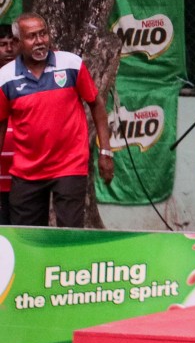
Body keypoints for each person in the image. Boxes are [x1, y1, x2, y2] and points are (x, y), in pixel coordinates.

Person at [0, 12, 112, 228]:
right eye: (32, 36)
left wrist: (105, 151)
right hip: (26, 170)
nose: (40, 41)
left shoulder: (71, 64)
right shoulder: (5, 77)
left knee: (69, 233)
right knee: (27, 237)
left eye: (43, 34)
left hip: (69, 164)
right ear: (18, 42)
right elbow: (1, 123)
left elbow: (96, 104)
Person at [0, 25, 17, 224]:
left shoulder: (28, 79)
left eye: (13, 43)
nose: (9, 49)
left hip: (23, 184)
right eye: (3, 44)